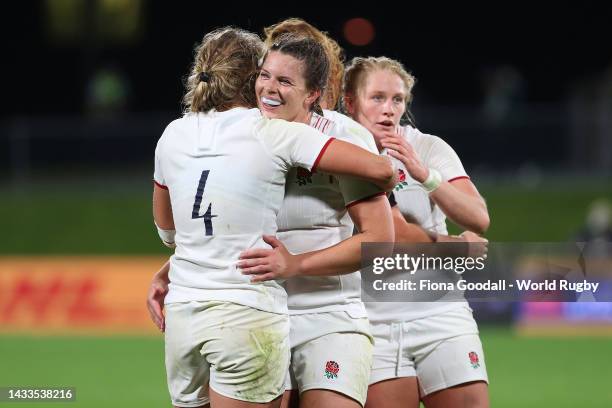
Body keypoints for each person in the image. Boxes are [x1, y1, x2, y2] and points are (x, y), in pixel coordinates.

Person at [152, 28, 395, 408]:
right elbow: (226, 220)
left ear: (313, 92)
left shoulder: (341, 136)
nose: (270, 87)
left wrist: (297, 264)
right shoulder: (255, 136)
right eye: (264, 75)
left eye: (285, 79)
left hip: (327, 316)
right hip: (259, 314)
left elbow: (380, 242)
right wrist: (173, 266)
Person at [342, 56, 491, 408]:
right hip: (374, 321)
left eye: (397, 100)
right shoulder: (339, 151)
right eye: (377, 97)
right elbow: (391, 236)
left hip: (442, 314)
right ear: (350, 101)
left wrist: (425, 175)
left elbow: (478, 218)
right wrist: (456, 248)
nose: (388, 109)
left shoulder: (426, 146)